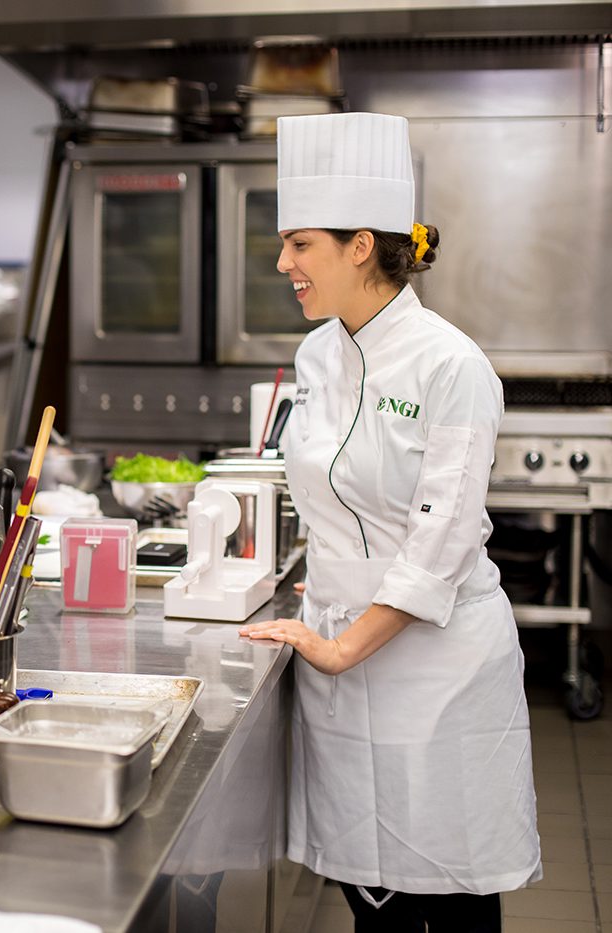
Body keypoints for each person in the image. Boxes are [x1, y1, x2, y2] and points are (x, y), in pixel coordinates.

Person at [239, 112, 539, 930]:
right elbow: (327, 489)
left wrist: (340, 646)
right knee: (370, 892)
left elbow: (439, 538)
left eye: (300, 243)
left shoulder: (453, 366)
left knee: (449, 897)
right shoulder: (317, 353)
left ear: (360, 245)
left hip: (435, 667)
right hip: (339, 647)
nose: (284, 263)